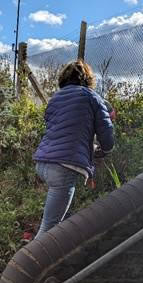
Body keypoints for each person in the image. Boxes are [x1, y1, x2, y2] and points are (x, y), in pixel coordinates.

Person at [32, 60, 115, 239]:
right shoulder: (91, 97)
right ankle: (25, 264)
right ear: (87, 78)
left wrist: (89, 147)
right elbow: (106, 132)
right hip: (63, 167)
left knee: (58, 216)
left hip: (43, 163)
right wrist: (106, 149)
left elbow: (65, 132)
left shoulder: (55, 98)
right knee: (48, 228)